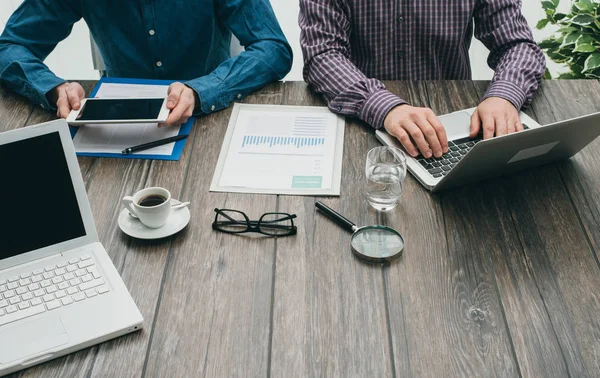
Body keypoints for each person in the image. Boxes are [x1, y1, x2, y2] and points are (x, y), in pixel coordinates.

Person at [299, 0, 546, 159]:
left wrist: (503, 95)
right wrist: (385, 107)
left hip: (456, 129)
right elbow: (322, 54)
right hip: (362, 126)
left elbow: (518, 44)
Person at [0, 0, 292, 127]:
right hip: (115, 125)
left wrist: (204, 89)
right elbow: (10, 47)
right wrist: (53, 87)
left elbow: (273, 48)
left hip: (211, 114)